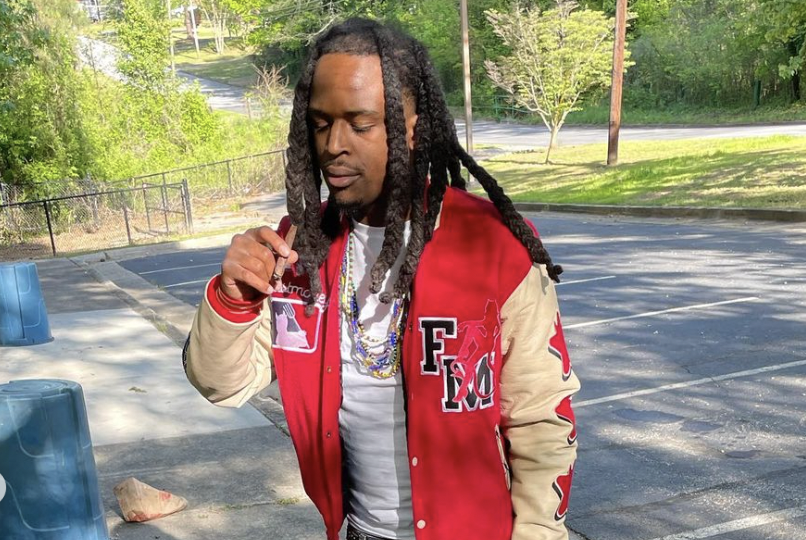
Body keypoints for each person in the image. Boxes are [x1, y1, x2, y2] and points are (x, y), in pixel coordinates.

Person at [183, 18, 580, 540]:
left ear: (413, 128)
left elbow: (540, 420)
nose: (334, 144)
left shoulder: (495, 245)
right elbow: (224, 384)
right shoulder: (296, 250)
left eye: (361, 123)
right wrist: (232, 299)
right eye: (321, 123)